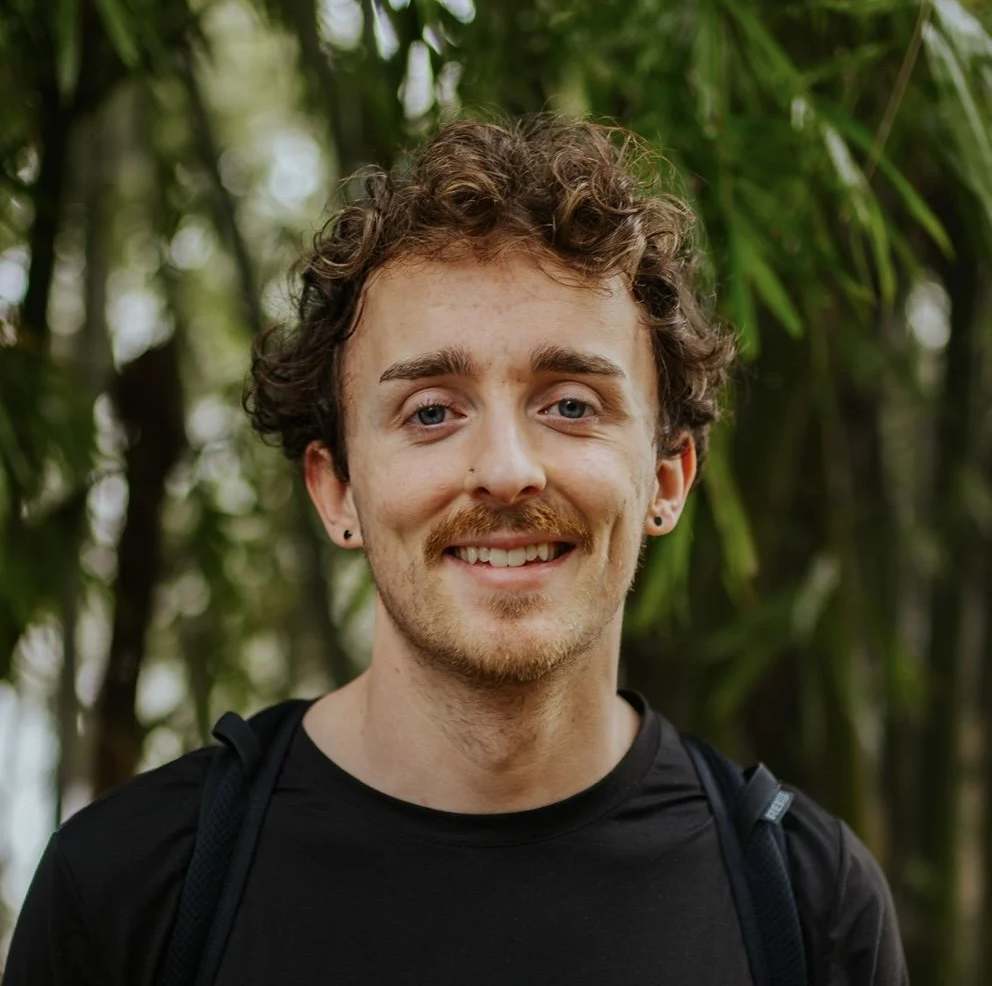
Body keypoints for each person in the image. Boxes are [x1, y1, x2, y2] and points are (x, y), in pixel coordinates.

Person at [4, 114, 907, 985]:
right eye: (431, 411)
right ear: (338, 490)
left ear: (667, 480)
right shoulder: (130, 893)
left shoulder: (805, 903)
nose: (507, 471)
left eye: (571, 405)